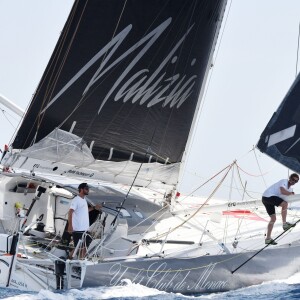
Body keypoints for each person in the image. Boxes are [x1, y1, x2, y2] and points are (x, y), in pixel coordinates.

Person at [262, 173, 299, 245]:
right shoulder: (284, 181)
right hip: (268, 196)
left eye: (296, 181)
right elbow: (282, 191)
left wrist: (291, 194)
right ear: (289, 178)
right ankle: (284, 224)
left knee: (273, 219)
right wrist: (290, 193)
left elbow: (284, 196)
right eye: (293, 179)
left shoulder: (290, 189)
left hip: (266, 199)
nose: (293, 181)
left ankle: (268, 239)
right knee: (285, 204)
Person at [67, 183, 101, 258]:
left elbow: (85, 210)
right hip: (78, 229)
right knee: (79, 247)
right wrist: (70, 226)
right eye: (86, 188)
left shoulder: (84, 200)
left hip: (85, 229)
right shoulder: (76, 200)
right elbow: (70, 212)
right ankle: (69, 260)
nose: (88, 190)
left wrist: (94, 208)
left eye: (88, 189)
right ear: (81, 189)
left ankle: (79, 262)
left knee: (84, 247)